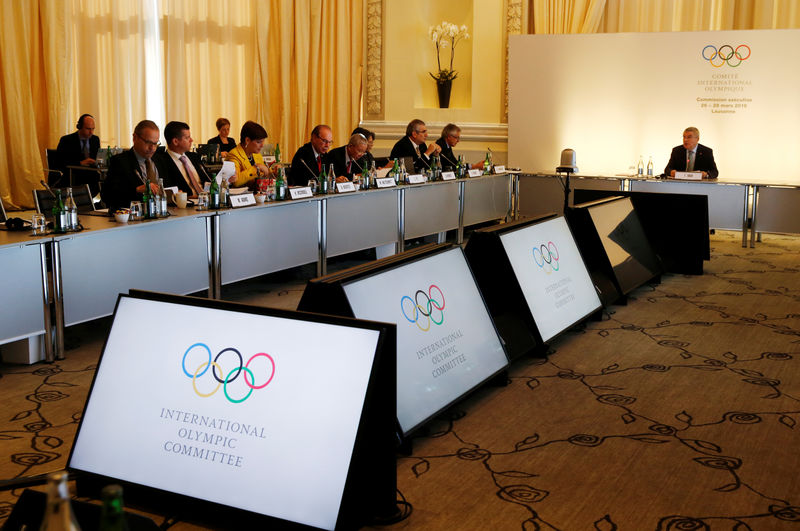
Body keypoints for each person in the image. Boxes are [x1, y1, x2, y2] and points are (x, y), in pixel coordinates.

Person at [102, 120, 169, 213]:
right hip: (134, 216)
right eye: (148, 142)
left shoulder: (160, 160)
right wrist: (137, 190)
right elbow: (107, 196)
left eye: (155, 144)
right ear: (135, 138)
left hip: (162, 213)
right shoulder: (120, 162)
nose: (152, 148)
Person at [153, 121, 212, 198]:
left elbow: (208, 179)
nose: (191, 140)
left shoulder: (194, 157)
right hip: (185, 205)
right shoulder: (161, 162)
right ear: (175, 141)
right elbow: (168, 192)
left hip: (207, 201)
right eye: (187, 138)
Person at [56, 114, 101, 194]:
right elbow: (60, 162)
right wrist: (80, 163)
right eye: (88, 129)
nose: (91, 132)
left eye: (93, 129)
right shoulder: (66, 140)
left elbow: (97, 157)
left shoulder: (95, 139)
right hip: (73, 175)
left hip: (91, 175)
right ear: (79, 126)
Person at [224, 121, 271, 188]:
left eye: (263, 142)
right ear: (247, 140)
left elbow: (263, 174)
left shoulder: (256, 155)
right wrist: (256, 168)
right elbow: (235, 181)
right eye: (259, 142)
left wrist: (274, 172)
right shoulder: (233, 155)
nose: (262, 145)